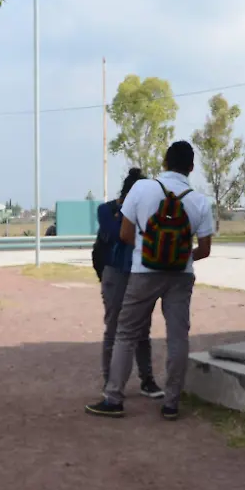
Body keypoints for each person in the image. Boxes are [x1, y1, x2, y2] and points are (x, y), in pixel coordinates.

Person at [86, 141, 215, 421]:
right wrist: (179, 257)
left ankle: (114, 398)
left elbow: (124, 234)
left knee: (126, 332)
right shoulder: (200, 201)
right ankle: (171, 403)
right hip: (181, 276)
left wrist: (148, 253)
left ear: (165, 162)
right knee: (177, 336)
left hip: (143, 273)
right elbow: (204, 250)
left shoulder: (142, 189)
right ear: (192, 168)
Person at [95, 168, 163, 399]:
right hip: (115, 275)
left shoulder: (145, 211)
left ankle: (147, 380)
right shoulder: (107, 210)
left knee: (143, 330)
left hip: (139, 273)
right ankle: (110, 382)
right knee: (114, 330)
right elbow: (117, 234)